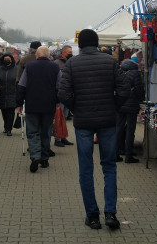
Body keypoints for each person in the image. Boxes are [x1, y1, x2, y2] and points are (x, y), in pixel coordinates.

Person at [58, 29, 129, 231]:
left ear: (80, 44)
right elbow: (124, 89)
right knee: (109, 167)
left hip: (83, 122)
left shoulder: (72, 63)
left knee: (86, 168)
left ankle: (92, 215)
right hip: (107, 120)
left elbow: (63, 93)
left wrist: (76, 107)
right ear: (97, 43)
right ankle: (110, 213)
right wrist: (113, 106)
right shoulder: (110, 61)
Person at [17, 46, 60, 173]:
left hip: (32, 105)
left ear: (37, 55)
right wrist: (57, 101)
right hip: (48, 106)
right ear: (48, 55)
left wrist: (19, 103)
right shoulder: (55, 67)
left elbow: (21, 85)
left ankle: (35, 156)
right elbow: (60, 86)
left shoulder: (30, 67)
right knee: (45, 131)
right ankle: (45, 158)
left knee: (33, 132)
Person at [116, 58, 145, 163]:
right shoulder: (135, 73)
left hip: (120, 103)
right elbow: (139, 89)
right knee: (130, 130)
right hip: (131, 104)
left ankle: (116, 153)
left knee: (118, 128)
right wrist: (141, 99)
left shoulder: (119, 72)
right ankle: (128, 155)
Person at [53, 45, 74, 147]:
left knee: (65, 116)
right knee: (59, 117)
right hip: (60, 94)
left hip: (69, 94)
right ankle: (57, 139)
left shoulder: (71, 62)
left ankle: (63, 136)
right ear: (64, 52)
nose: (71, 53)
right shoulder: (57, 63)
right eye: (69, 52)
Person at [0, 53, 18, 136]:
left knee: (11, 112)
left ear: (11, 60)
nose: (7, 60)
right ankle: (5, 126)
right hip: (2, 93)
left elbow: (18, 80)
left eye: (8, 58)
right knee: (4, 111)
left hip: (12, 93)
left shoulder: (16, 69)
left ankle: (9, 129)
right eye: (5, 59)